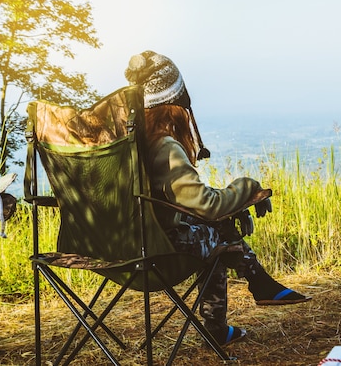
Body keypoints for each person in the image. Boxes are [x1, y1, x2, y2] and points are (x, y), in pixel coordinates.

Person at [124, 50, 311, 346]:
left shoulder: (125, 145)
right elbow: (208, 206)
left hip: (115, 251)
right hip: (153, 255)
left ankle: (251, 292)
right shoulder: (163, 147)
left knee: (210, 230)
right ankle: (248, 293)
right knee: (216, 234)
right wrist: (248, 188)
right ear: (173, 103)